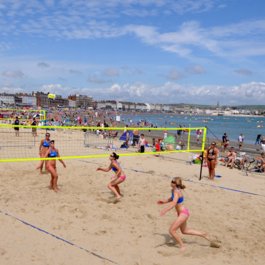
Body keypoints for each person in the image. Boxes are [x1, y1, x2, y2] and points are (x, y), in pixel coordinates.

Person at [158, 177, 218, 251]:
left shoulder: (177, 191)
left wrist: (165, 210)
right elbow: (172, 199)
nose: (171, 182)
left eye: (172, 181)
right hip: (182, 213)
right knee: (185, 231)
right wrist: (164, 201)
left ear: (175, 184)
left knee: (171, 230)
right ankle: (203, 234)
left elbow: (174, 203)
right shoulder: (173, 190)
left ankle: (182, 246)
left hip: (183, 213)